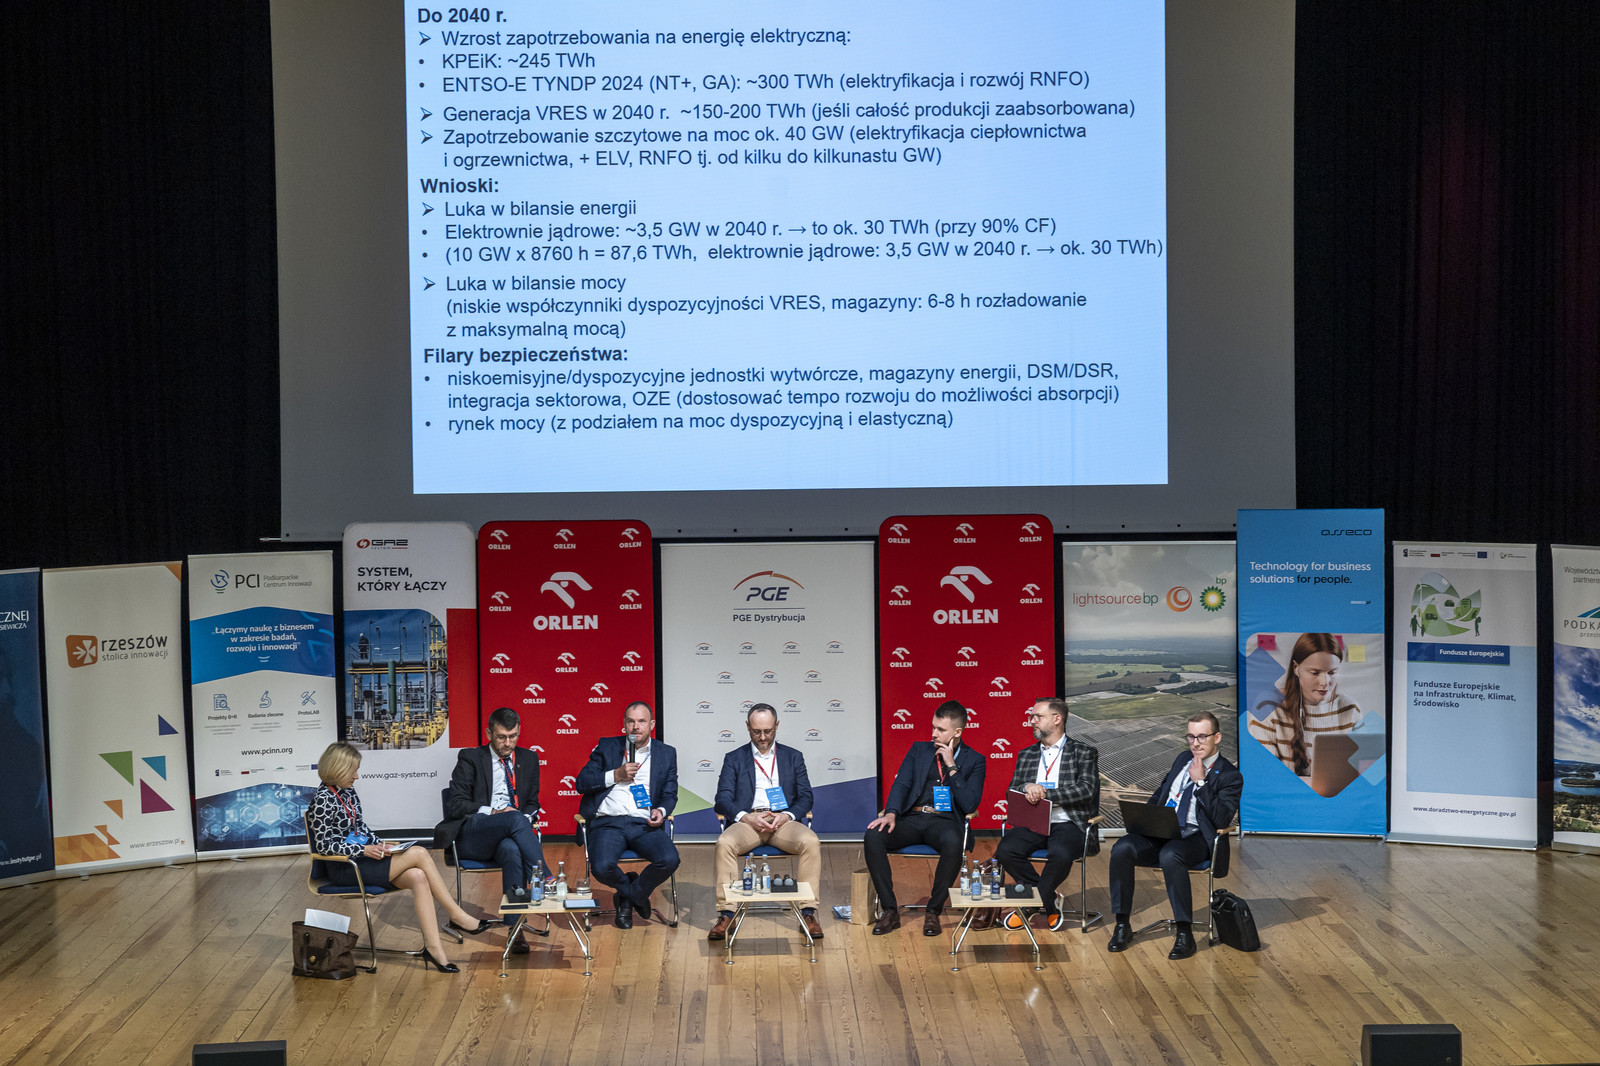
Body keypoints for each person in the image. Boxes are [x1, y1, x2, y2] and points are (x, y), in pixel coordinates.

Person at [307, 741, 490, 974]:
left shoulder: (347, 792)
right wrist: (363, 851)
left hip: (363, 860)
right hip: (346, 868)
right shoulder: (322, 799)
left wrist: (379, 844)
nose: (357, 776)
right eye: (352, 771)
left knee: (417, 876)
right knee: (420, 853)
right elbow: (323, 846)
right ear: (337, 769)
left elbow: (360, 829)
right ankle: (457, 916)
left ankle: (434, 950)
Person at [1106, 710, 1242, 960]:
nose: (1195, 743)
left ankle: (1184, 934)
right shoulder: (1182, 759)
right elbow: (1161, 794)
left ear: (1217, 737)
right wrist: (1145, 818)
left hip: (1195, 837)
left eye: (1202, 737)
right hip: (1161, 830)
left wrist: (1201, 783)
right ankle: (1122, 925)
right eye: (1191, 737)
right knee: (1122, 848)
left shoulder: (1230, 775)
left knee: (1171, 855)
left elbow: (1222, 819)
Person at [862, 700, 986, 936]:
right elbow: (902, 783)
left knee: (954, 842)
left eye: (941, 729)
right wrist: (891, 813)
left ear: (957, 732)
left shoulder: (975, 760)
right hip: (912, 817)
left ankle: (933, 911)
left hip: (945, 822)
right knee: (873, 836)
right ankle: (889, 910)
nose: (934, 733)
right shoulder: (919, 750)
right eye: (933, 727)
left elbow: (970, 804)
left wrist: (951, 765)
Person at [433, 706, 545, 953]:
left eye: (513, 736)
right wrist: (494, 812)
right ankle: (545, 879)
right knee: (514, 818)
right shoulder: (471, 758)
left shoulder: (529, 759)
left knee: (512, 849)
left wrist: (522, 817)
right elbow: (456, 804)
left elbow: (532, 803)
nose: (508, 743)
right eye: (501, 737)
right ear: (488, 734)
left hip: (509, 837)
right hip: (475, 834)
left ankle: (515, 929)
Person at [708, 704, 824, 941]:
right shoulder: (734, 758)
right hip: (749, 822)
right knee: (725, 843)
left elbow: (806, 797)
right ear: (747, 727)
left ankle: (808, 912)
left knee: (811, 842)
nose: (762, 737)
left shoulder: (793, 756)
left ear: (777, 726)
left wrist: (787, 815)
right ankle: (727, 913)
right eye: (756, 731)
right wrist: (746, 817)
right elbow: (722, 799)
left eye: (768, 731)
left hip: (783, 822)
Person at [993, 698, 1099, 932]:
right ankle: (1049, 900)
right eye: (1032, 716)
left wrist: (1046, 794)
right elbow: (1012, 790)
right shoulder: (1027, 754)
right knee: (1005, 851)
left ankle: (1029, 906)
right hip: (1033, 821)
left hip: (1067, 822)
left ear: (1057, 719)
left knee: (1061, 854)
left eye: (1038, 716)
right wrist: (1027, 787)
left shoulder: (1083, 752)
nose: (1032, 721)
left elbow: (1086, 789)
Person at [575, 700, 680, 929]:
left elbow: (670, 794)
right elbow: (581, 782)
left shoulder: (666, 753)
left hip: (644, 823)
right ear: (624, 724)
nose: (636, 727)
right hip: (608, 823)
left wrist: (661, 811)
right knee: (601, 866)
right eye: (631, 721)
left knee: (670, 860)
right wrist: (615, 775)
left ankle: (628, 897)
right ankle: (635, 892)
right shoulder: (607, 746)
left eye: (641, 721)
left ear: (651, 724)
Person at [1249, 632, 1364, 777]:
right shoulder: (1267, 706)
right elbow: (1264, 774)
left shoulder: (1350, 708)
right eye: (1315, 673)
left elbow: (1363, 771)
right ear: (1296, 668)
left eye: (1332, 672)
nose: (1324, 682)